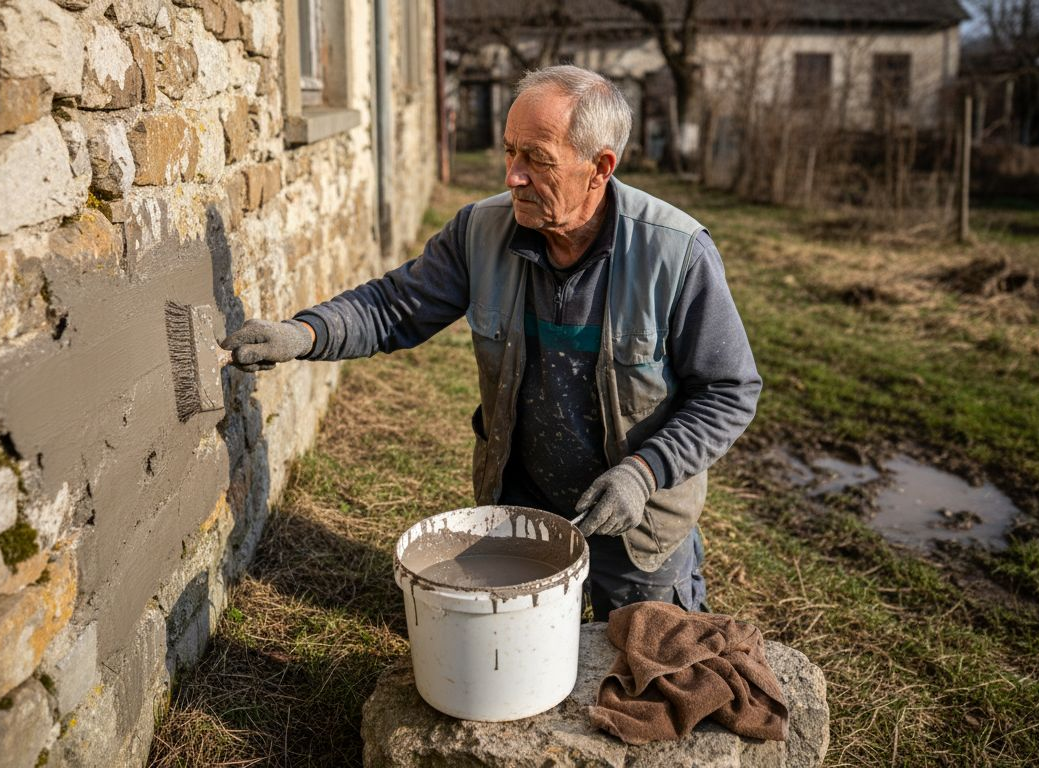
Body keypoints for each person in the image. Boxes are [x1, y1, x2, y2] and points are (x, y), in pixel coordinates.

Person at [223, 65, 760, 620]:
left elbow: (729, 390)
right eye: (510, 152)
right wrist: (303, 334)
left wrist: (644, 472)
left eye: (537, 159)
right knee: (519, 663)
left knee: (645, 664)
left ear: (600, 167)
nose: (513, 177)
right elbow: (392, 306)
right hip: (524, 509)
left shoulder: (676, 254)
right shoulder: (481, 232)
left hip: (637, 521)